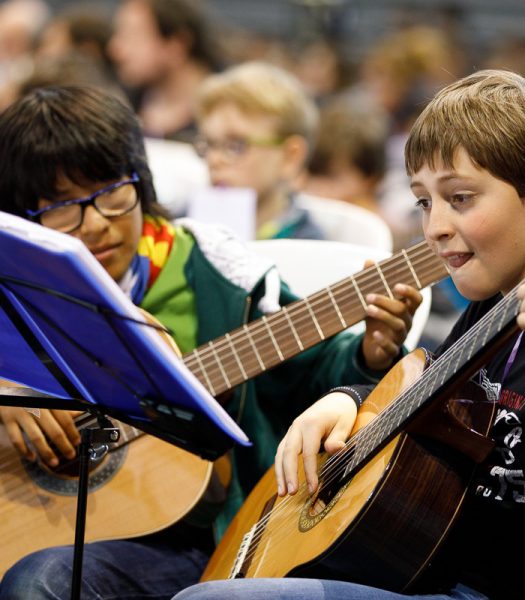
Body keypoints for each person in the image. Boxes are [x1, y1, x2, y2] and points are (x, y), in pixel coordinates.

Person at [172, 69, 525, 599]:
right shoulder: (496, 297)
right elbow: (432, 418)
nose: (434, 226)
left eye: (460, 197)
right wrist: (351, 399)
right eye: (424, 201)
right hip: (424, 569)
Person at [0, 85, 421, 599]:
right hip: (49, 518)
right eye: (62, 207)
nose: (96, 224)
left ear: (141, 181)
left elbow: (315, 374)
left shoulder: (219, 275)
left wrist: (371, 352)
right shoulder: (18, 283)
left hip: (197, 539)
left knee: (40, 582)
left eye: (112, 193)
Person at [194, 61, 325, 240]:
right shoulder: (182, 222)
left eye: (235, 145)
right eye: (209, 144)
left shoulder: (311, 248)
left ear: (290, 157)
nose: (213, 159)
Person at [108, 0, 222, 143]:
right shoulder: (122, 105)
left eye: (132, 36)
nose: (115, 49)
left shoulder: (231, 114)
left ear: (176, 45)